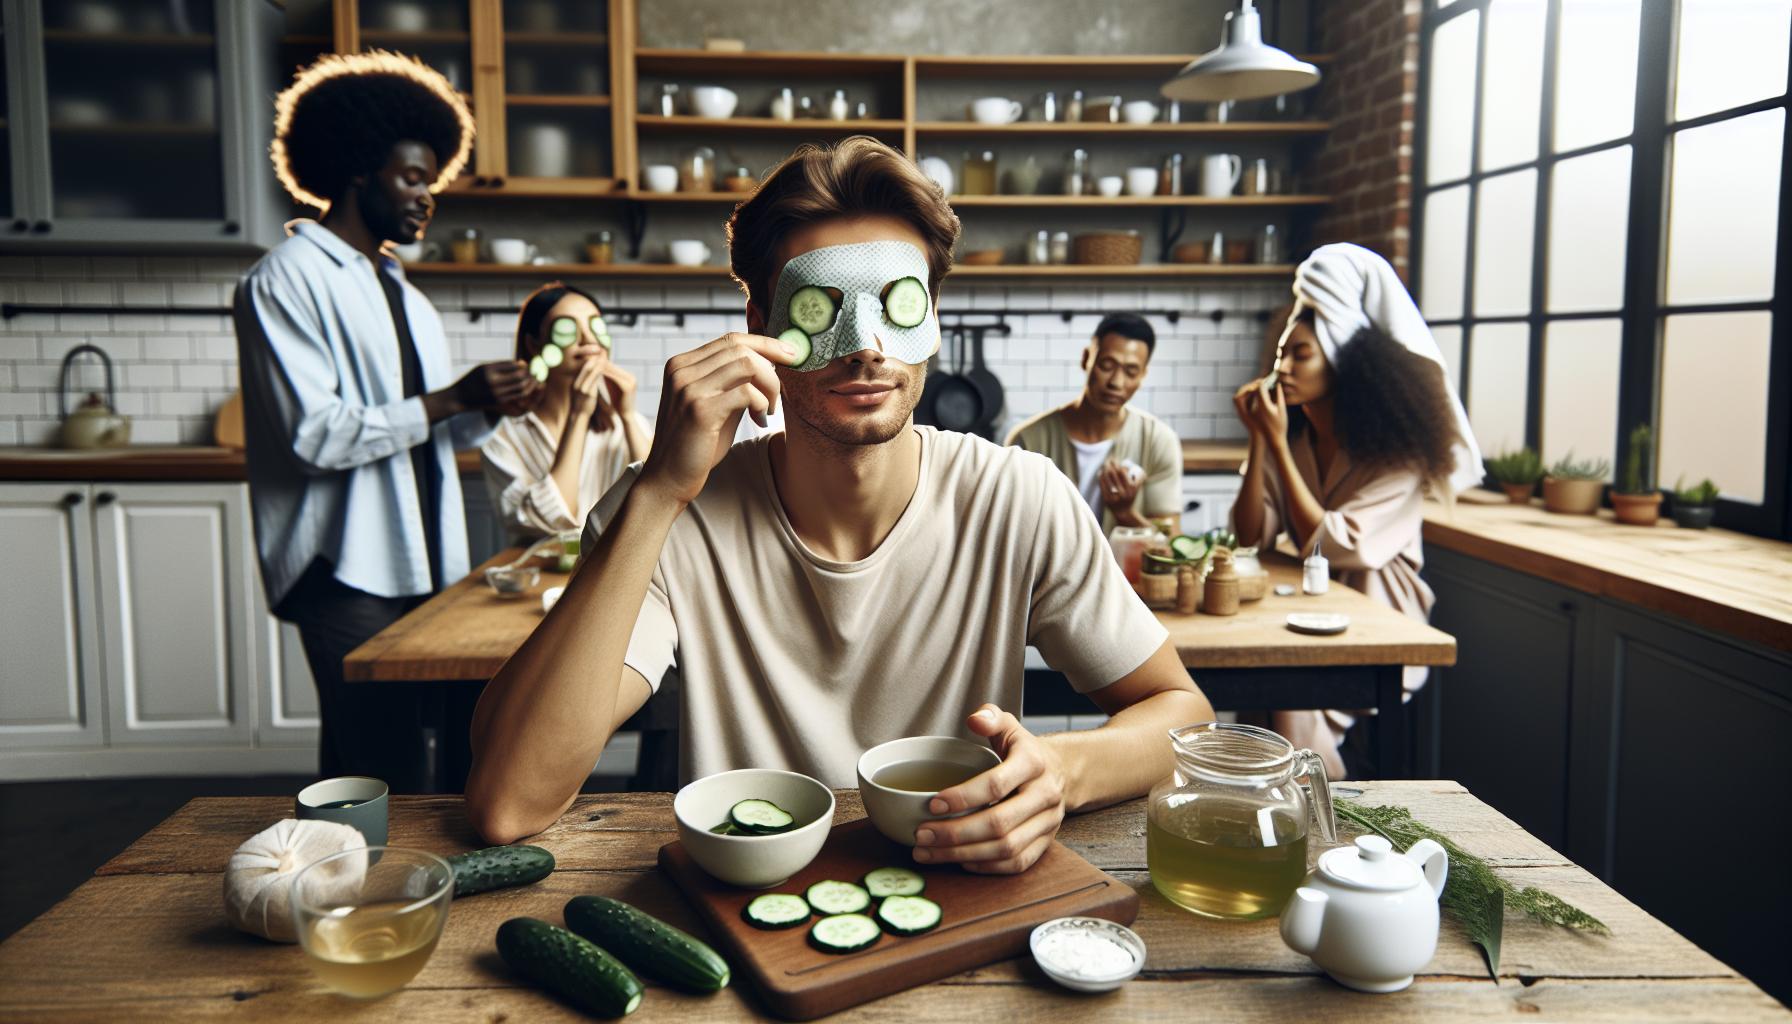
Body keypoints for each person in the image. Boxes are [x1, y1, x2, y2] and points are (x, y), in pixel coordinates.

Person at [466, 137, 1214, 871]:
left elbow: (1182, 713)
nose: (866, 346)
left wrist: (1064, 770)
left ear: (935, 319)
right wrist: (661, 488)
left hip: (959, 881)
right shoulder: (665, 509)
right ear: (759, 324)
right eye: (823, 307)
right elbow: (508, 803)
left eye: (899, 302)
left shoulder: (1019, 499)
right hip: (745, 904)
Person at [235, 52, 543, 789]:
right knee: (389, 763)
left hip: (418, 556)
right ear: (355, 171)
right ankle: (386, 895)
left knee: (367, 760)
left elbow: (425, 426)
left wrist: (485, 405)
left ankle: (346, 888)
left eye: (431, 182)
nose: (426, 198)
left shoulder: (403, 292)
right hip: (343, 566)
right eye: (412, 178)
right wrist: (453, 399)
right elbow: (317, 435)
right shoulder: (285, 279)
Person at [1229, 243, 1482, 779]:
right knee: (1256, 691)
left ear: (1342, 361)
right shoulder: (1291, 434)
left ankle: (1315, 808)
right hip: (1301, 612)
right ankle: (1273, 807)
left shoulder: (1400, 456)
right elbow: (1250, 534)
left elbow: (1330, 542)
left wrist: (1275, 447)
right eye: (1280, 354)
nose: (1284, 368)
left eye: (1301, 355)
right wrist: (1259, 440)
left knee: (1287, 692)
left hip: (1377, 621)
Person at [481, 282, 653, 546]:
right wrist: (578, 416)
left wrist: (628, 416)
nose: (589, 340)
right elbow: (551, 522)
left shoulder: (625, 423)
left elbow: (661, 498)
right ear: (533, 345)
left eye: (595, 326)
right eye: (568, 329)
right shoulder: (502, 438)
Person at [1005, 313, 1183, 534]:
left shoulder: (1158, 441)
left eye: (1131, 371)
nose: (1116, 382)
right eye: (1107, 365)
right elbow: (1008, 530)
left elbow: (1170, 547)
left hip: (1123, 570)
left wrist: (1125, 514)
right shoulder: (1028, 440)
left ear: (1143, 375)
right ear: (1086, 359)